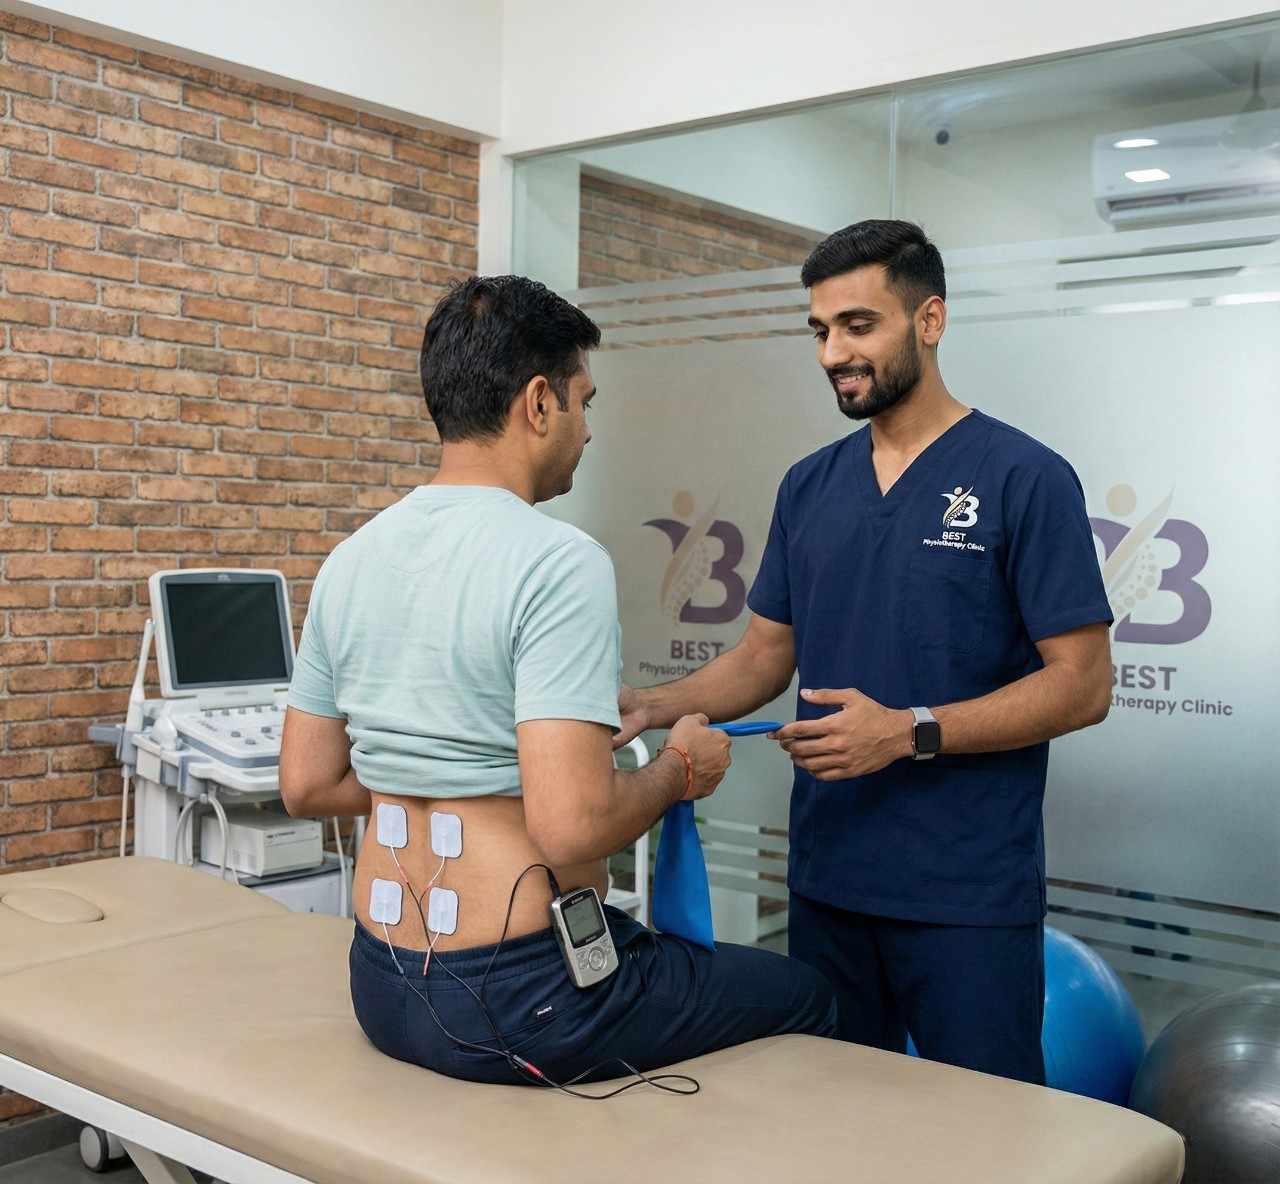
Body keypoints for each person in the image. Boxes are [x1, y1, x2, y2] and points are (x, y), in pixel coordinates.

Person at [279, 275, 835, 1088]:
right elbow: (574, 826)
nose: (588, 429)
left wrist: (450, 773)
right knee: (810, 995)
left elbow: (306, 783)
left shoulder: (352, 559)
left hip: (381, 980)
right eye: (583, 400)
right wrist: (682, 769)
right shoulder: (556, 561)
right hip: (521, 998)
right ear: (539, 403)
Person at [615, 220, 1113, 1085]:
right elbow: (764, 657)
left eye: (857, 325)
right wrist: (650, 707)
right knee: (839, 1129)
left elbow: (1084, 685)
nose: (832, 353)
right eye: (819, 330)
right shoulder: (810, 485)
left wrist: (910, 731)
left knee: (987, 1139)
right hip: (830, 883)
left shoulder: (1023, 478)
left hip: (966, 898)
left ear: (930, 320)